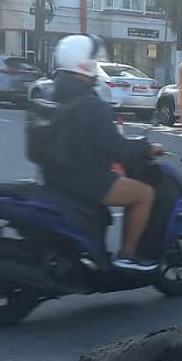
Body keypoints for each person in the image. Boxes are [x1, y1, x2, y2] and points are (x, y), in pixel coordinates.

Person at [37, 34, 162, 272]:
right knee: (144, 194)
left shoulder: (50, 93)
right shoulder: (92, 105)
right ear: (85, 63)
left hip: (53, 177)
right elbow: (118, 149)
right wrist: (147, 149)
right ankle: (127, 256)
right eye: (93, 59)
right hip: (85, 179)